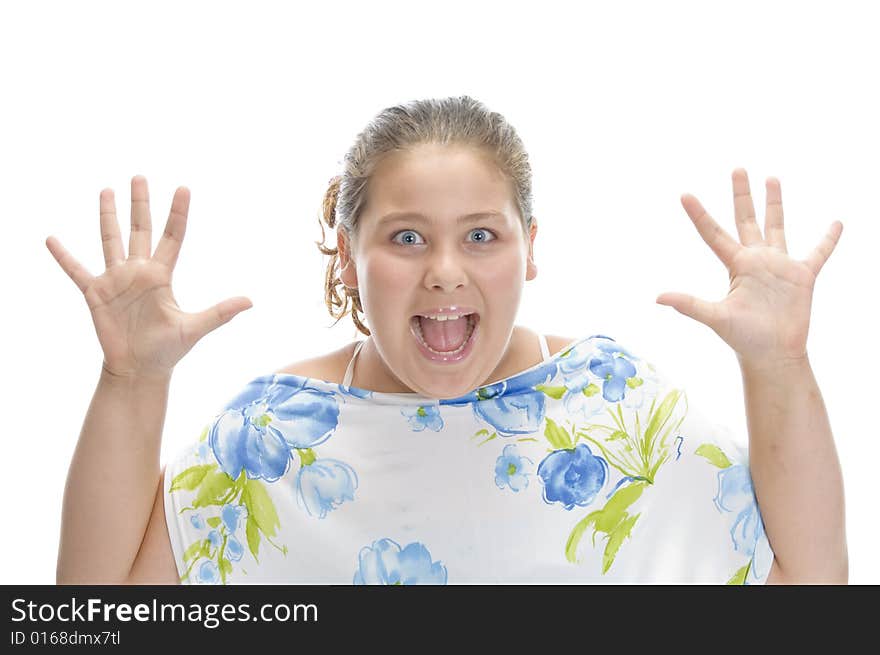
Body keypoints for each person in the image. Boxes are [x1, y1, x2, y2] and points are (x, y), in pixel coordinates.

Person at [49, 96, 847, 585]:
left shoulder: (616, 404)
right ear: (347, 256)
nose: (443, 271)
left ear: (530, 246)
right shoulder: (269, 439)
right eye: (404, 237)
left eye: (480, 235)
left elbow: (810, 589)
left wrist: (779, 366)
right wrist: (131, 380)